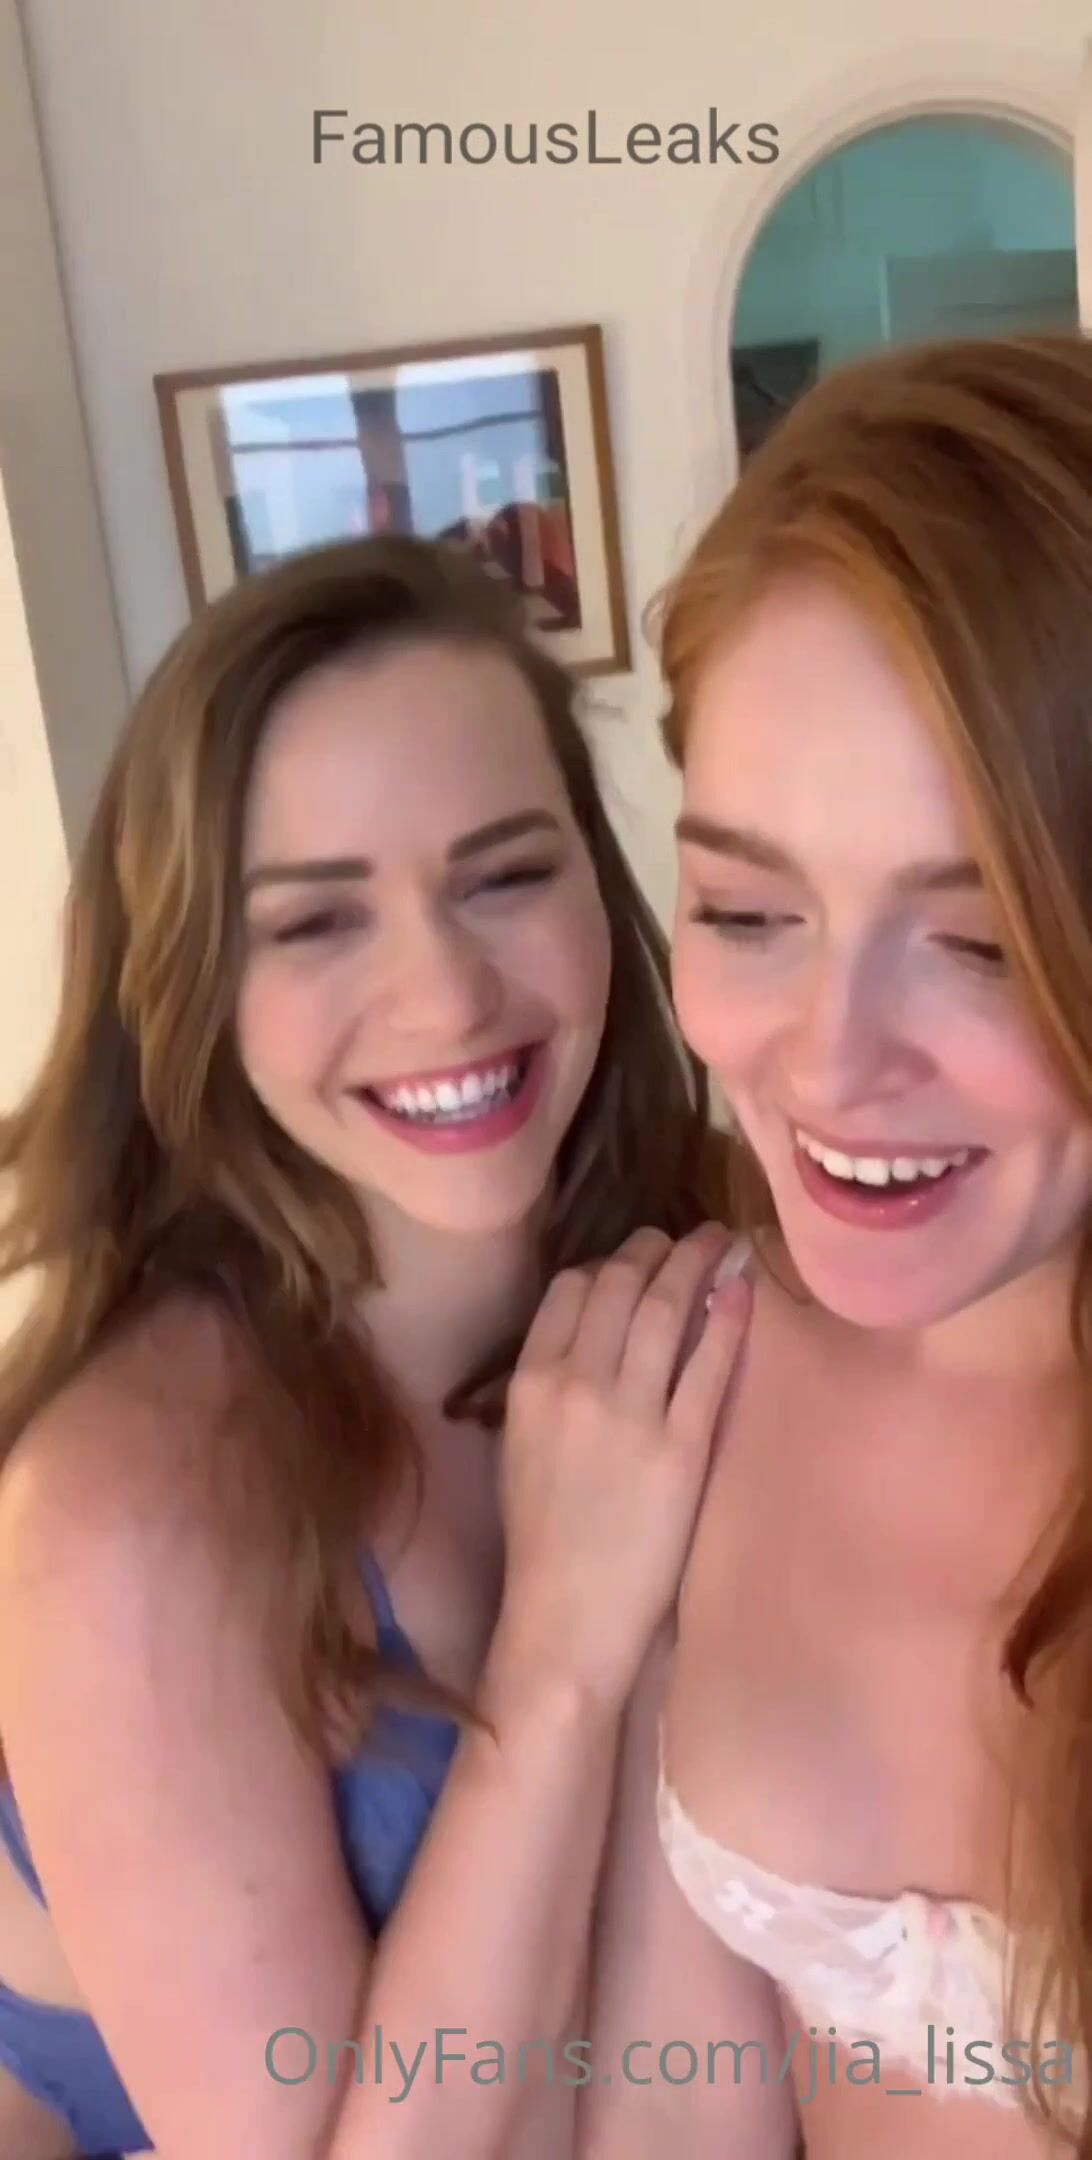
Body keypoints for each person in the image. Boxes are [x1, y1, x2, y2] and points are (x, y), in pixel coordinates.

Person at [0, 532, 753, 2159]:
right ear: (189, 985)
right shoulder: (117, 1515)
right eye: (316, 922)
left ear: (602, 881)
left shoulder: (712, 1265)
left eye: (504, 875)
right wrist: (565, 1649)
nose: (447, 996)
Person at [578, 331, 1092, 2159]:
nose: (827, 1060)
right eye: (745, 909)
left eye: (980, 940)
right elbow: (677, 2103)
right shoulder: (690, 1370)